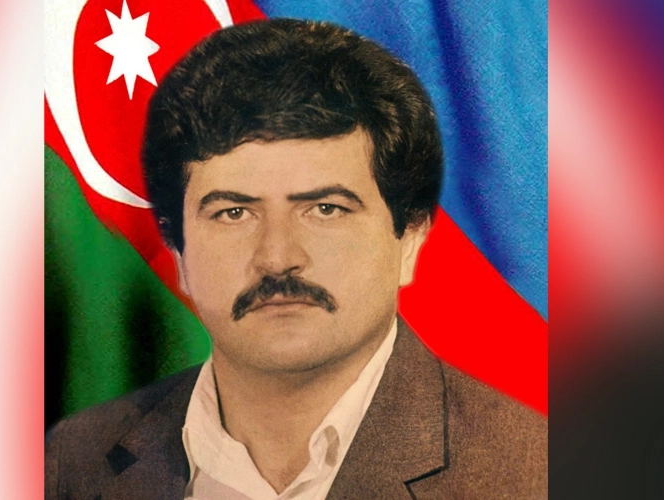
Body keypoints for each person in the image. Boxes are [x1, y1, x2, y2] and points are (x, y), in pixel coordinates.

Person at [45, 18, 547, 499]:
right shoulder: (71, 460)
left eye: (325, 209)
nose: (277, 258)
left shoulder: (533, 475)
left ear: (409, 241)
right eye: (234, 212)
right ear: (178, 251)